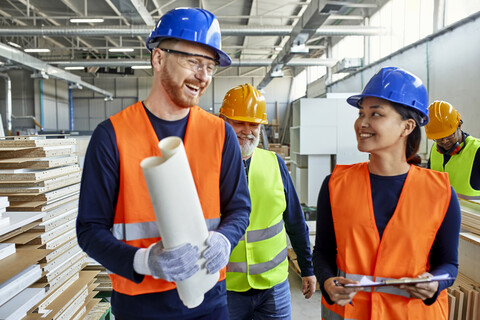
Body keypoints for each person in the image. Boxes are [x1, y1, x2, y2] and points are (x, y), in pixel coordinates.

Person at [76, 8, 251, 320]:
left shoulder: (219, 133)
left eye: (210, 66)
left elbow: (239, 208)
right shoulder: (112, 136)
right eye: (194, 62)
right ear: (158, 59)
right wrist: (145, 261)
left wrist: (225, 238)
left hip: (210, 300)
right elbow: (89, 230)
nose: (204, 76)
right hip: (140, 306)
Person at [312, 67, 461, 319]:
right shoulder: (335, 184)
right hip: (349, 313)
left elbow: (449, 265)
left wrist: (434, 282)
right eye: (361, 113)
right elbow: (323, 251)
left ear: (407, 127)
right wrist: (327, 282)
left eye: (376, 114)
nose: (362, 123)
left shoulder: (441, 192)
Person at [219, 83, 317, 320]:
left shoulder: (275, 164)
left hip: (273, 286)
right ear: (222, 121)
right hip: (225, 287)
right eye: (238, 122)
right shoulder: (207, 167)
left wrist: (307, 269)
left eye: (253, 124)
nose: (246, 130)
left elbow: (295, 221)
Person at [425, 100, 480, 200]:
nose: (444, 141)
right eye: (439, 137)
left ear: (459, 125)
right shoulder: (434, 150)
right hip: (439, 213)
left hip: (471, 215)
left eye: (450, 135)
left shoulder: (477, 151)